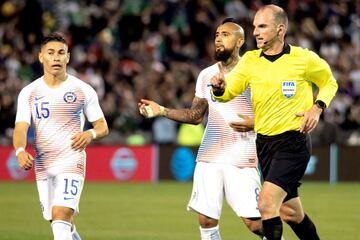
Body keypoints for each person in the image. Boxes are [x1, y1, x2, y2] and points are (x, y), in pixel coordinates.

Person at [210, 5, 338, 240]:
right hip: (265, 144)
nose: (255, 32)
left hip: (293, 141)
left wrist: (317, 107)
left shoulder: (303, 58)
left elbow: (329, 82)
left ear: (280, 29)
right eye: (254, 27)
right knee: (291, 213)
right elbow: (229, 91)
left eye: (262, 26)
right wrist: (219, 88)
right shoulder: (250, 61)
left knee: (266, 204)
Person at [139, 18, 265, 240]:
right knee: (206, 219)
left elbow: (273, 115)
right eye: (217, 35)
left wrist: (255, 123)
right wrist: (162, 110)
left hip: (243, 157)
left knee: (255, 223)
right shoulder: (206, 75)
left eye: (225, 34)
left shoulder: (256, 73)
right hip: (209, 155)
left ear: (240, 41)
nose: (218, 39)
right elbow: (195, 116)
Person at [13, 33, 109, 240]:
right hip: (43, 163)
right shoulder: (29, 92)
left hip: (71, 159)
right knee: (58, 221)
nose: (56, 58)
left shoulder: (83, 90)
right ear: (41, 57)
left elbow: (102, 126)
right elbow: (20, 128)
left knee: (61, 215)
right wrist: (20, 151)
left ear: (68, 57)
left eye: (61, 53)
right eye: (51, 53)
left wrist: (90, 133)